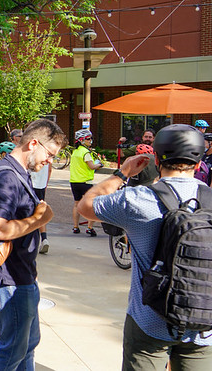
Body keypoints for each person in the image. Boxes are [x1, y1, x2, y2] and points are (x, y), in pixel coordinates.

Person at [78, 124, 212, 370]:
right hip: (203, 323)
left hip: (149, 319)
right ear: (200, 158)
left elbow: (86, 206)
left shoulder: (138, 199)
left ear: (158, 157)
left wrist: (122, 173)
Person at [0, 118, 64, 370]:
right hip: (8, 278)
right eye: (50, 154)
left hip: (21, 275)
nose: (50, 161)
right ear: (33, 143)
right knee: (13, 349)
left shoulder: (18, 172)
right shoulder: (6, 176)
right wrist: (39, 220)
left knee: (27, 344)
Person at [70, 129, 103, 236]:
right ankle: (90, 228)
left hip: (74, 181)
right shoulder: (86, 153)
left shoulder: (75, 152)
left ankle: (75, 227)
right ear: (82, 140)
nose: (90, 141)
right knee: (92, 205)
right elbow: (91, 166)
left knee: (76, 204)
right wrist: (99, 164)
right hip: (86, 182)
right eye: (88, 139)